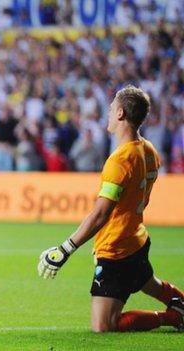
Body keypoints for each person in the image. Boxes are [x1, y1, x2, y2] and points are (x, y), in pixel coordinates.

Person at [37, 85, 184, 332]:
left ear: (120, 114)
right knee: (149, 282)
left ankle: (174, 317)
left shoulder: (120, 160)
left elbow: (101, 213)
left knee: (104, 325)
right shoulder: (149, 150)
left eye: (111, 108)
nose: (108, 113)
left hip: (116, 248)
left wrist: (66, 248)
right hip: (136, 238)